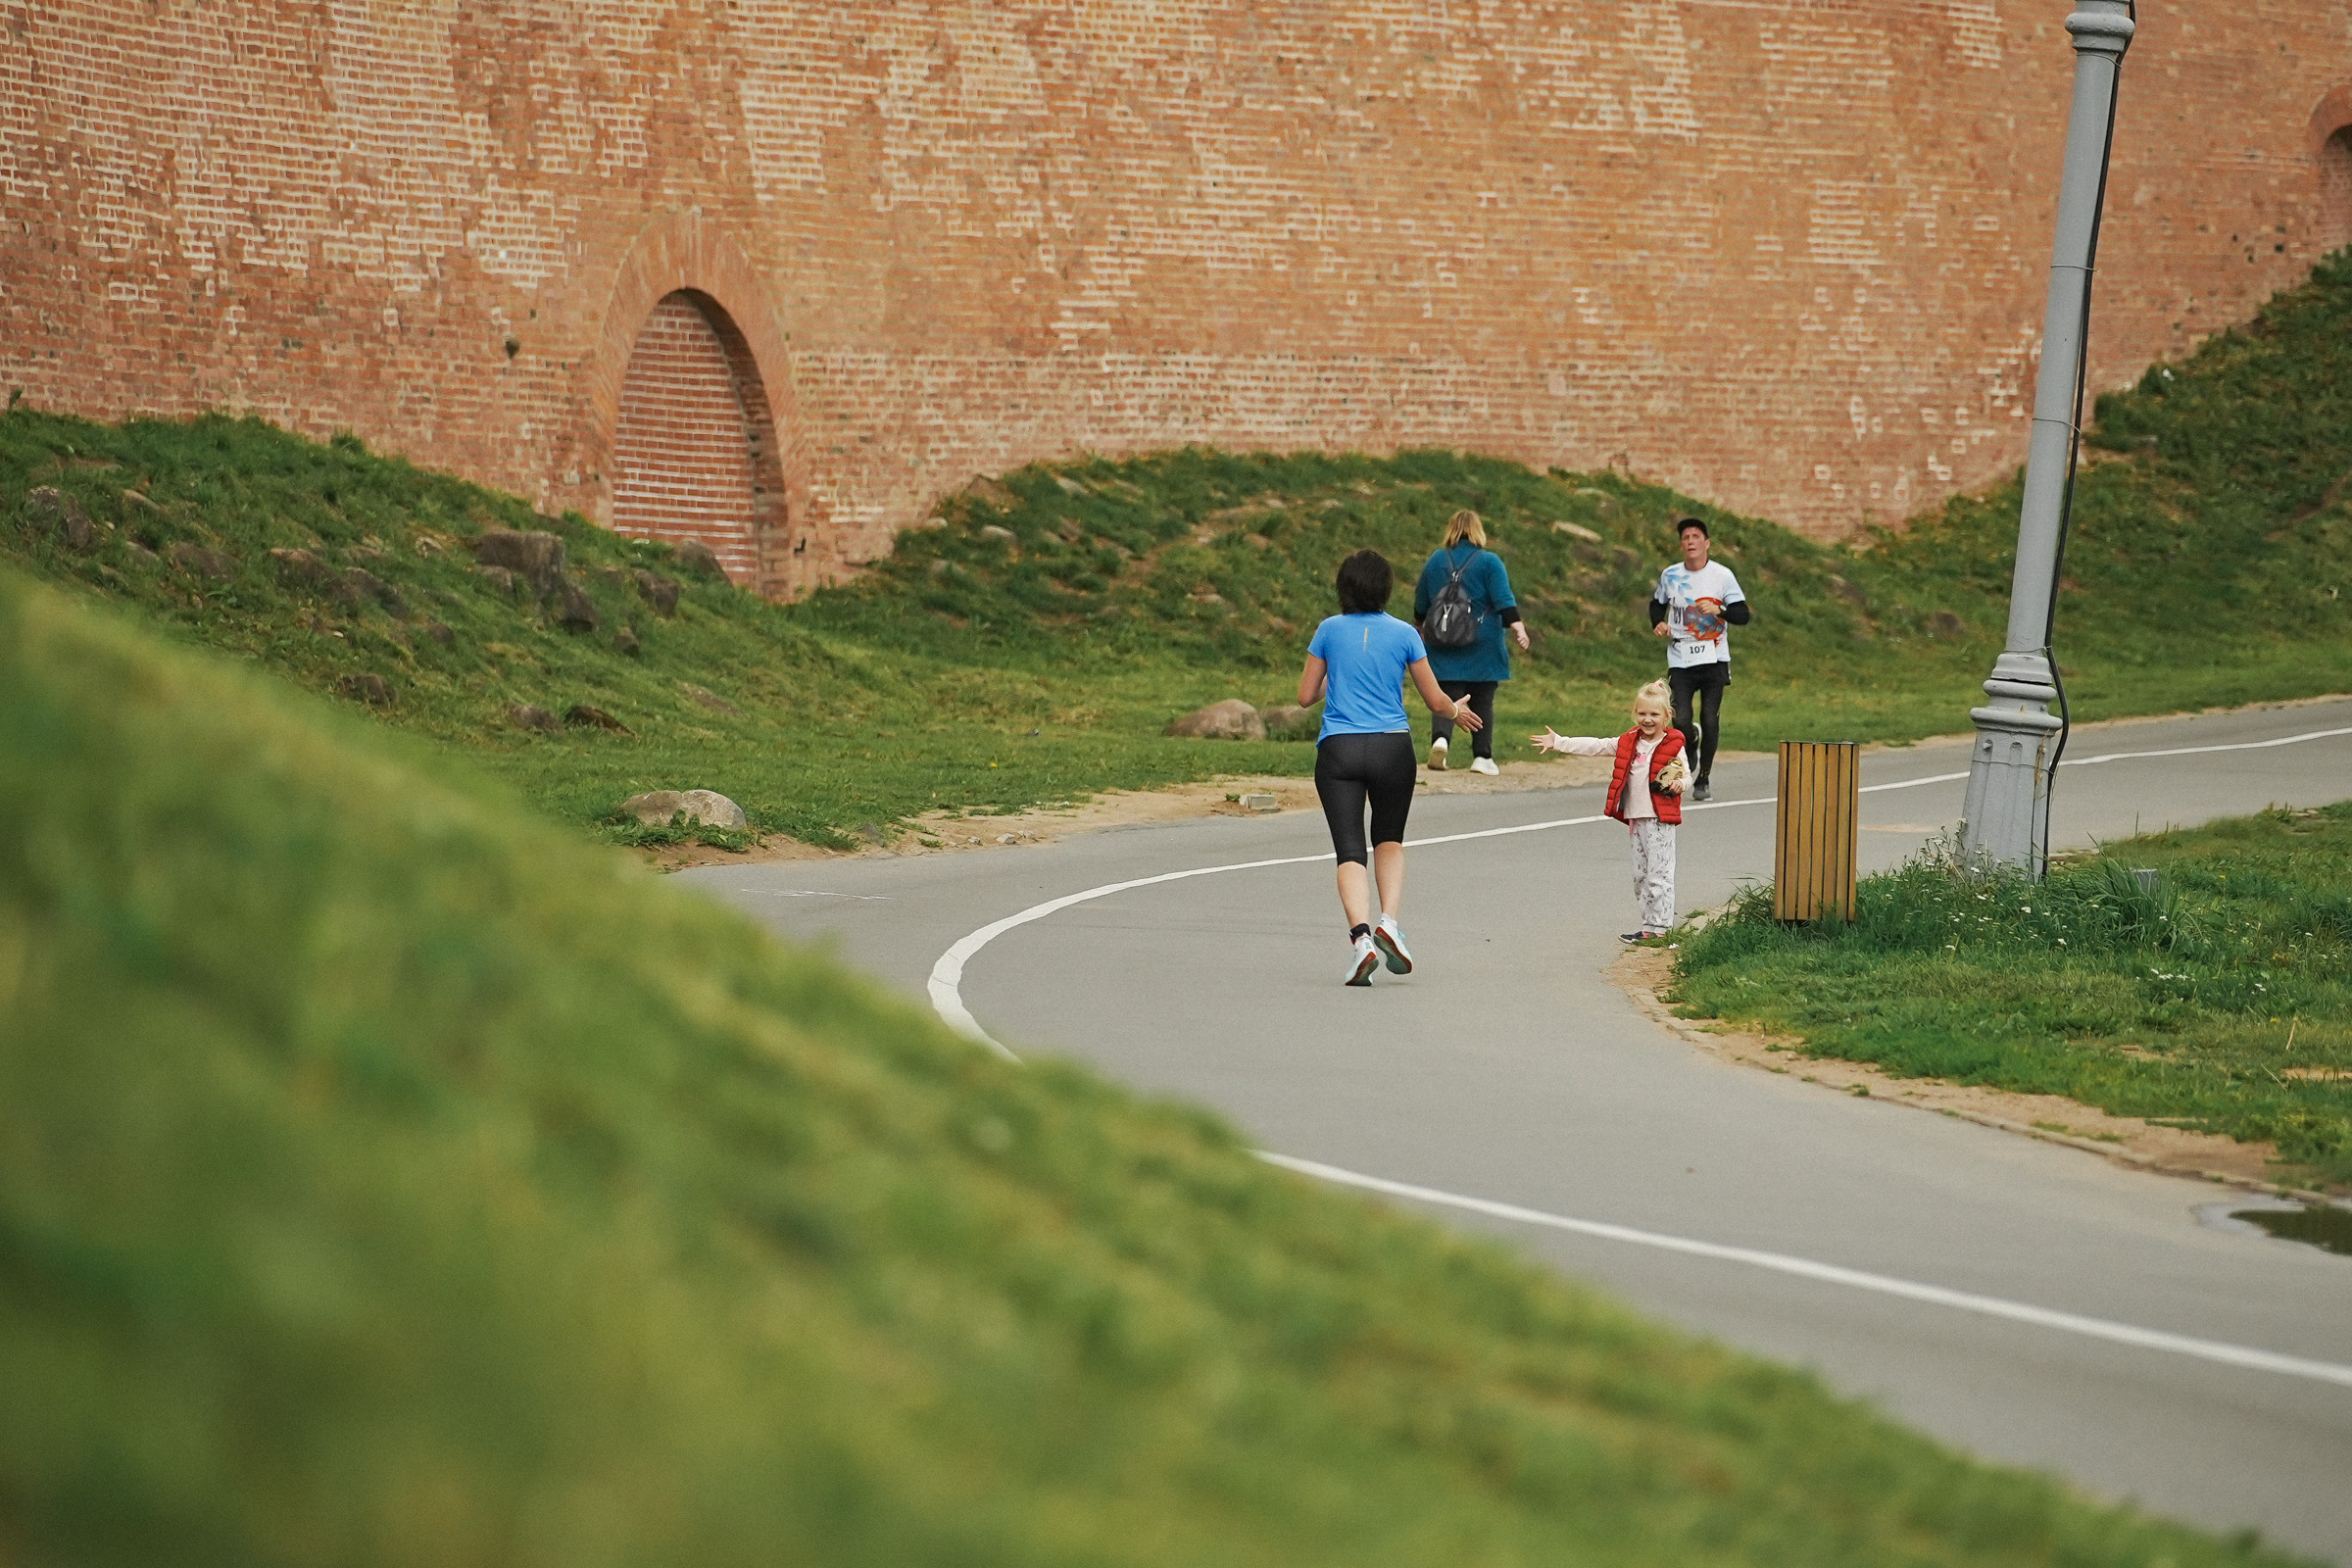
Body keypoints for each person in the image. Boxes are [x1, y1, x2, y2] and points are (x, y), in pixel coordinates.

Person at [1299, 549, 1484, 985]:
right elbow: (1435, 699)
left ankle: (1361, 939)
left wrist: (1337, 674)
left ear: (1343, 588)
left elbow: (1307, 695)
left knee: (1349, 851)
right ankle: (1389, 923)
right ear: (1386, 589)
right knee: (1389, 839)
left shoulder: (1327, 630)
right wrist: (1455, 713)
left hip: (1339, 750)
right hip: (1391, 750)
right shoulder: (1405, 634)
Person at [1531, 679, 1689, 941]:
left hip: (1660, 820)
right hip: (1635, 819)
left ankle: (1662, 930)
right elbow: (1597, 746)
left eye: (1654, 714)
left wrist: (1679, 784)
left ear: (1667, 717)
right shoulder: (1628, 742)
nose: (1647, 719)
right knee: (1640, 876)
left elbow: (1687, 775)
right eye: (1642, 713)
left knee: (1659, 876)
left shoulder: (1673, 745)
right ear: (1634, 714)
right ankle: (1649, 927)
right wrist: (1560, 742)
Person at [1411, 509, 1528, 775]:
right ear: (1478, 531)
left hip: (1442, 639)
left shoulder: (1436, 560)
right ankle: (1482, 757)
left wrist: (1419, 626)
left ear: (1451, 529)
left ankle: (1441, 739)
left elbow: (1422, 601)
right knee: (1483, 701)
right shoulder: (1489, 562)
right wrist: (1518, 627)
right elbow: (1503, 599)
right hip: (1482, 642)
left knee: (1446, 695)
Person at [1648, 515, 1749, 803]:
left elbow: (1743, 614)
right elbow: (1657, 604)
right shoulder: (1670, 575)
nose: (1690, 542)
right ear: (1682, 545)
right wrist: (1658, 623)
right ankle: (1689, 740)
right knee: (1680, 718)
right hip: (1680, 656)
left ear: (1707, 544)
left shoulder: (1722, 575)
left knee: (1710, 716)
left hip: (1714, 656)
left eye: (1695, 537)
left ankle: (1703, 777)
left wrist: (1720, 611)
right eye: (1685, 538)